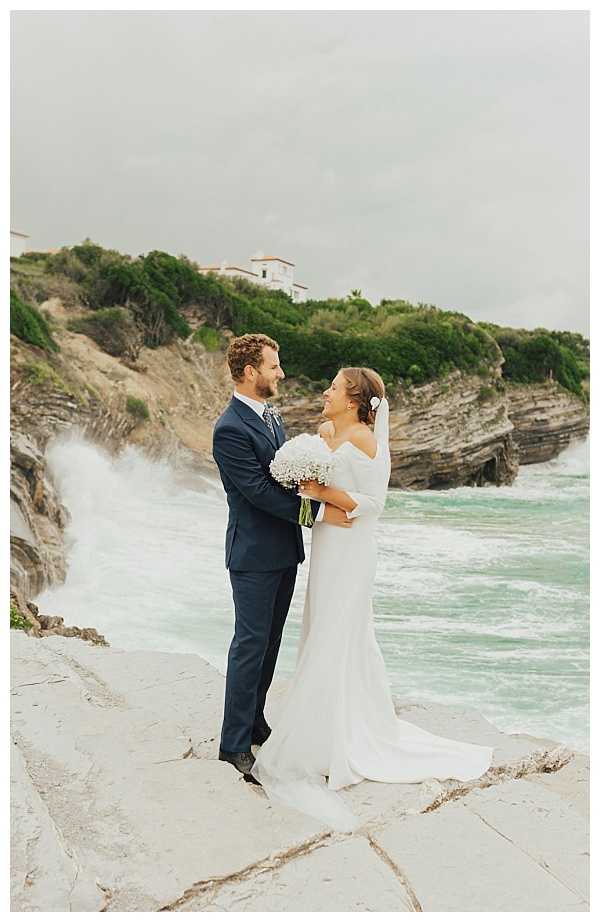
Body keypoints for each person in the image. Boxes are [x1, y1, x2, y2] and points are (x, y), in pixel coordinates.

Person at [251, 366, 495, 831]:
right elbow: (318, 483)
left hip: (352, 549)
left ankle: (337, 736)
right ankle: (322, 727)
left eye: (334, 388)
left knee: (340, 632)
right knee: (321, 624)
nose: (325, 391)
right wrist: (311, 494)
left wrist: (327, 494)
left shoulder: (366, 440)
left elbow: (375, 503)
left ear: (354, 399)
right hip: (327, 543)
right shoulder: (329, 430)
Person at [212, 333, 353, 782]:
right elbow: (256, 492)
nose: (281, 373)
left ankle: (256, 721)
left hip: (283, 550)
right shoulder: (229, 428)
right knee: (249, 645)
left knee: (270, 644)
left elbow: (283, 473)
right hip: (252, 554)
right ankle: (232, 744)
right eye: (274, 366)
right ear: (251, 371)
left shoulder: (271, 415)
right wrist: (318, 512)